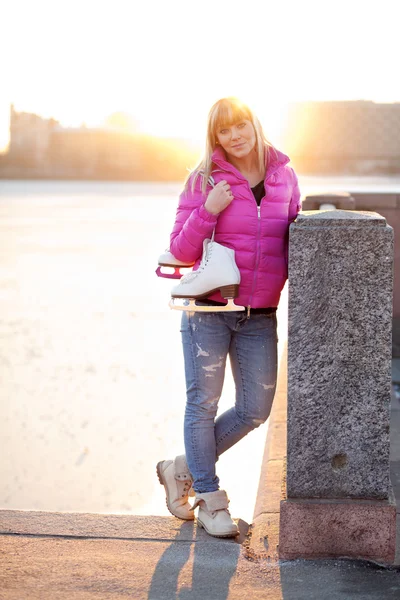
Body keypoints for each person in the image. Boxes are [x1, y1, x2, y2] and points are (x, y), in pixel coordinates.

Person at [156, 97, 301, 538]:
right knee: (203, 403)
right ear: (214, 136)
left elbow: (297, 238)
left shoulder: (285, 176)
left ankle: (181, 466)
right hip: (210, 311)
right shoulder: (203, 179)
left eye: (240, 126)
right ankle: (209, 499)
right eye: (224, 130)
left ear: (255, 125)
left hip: (260, 312)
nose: (234, 136)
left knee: (255, 409)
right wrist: (210, 209)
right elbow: (180, 251)